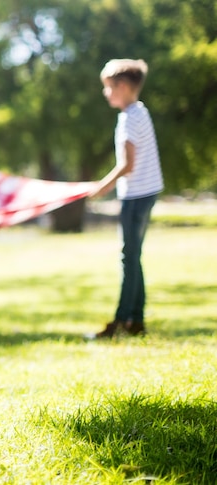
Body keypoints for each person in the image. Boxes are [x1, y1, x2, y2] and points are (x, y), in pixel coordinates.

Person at [87, 58, 163, 339]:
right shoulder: (140, 112)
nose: (106, 93)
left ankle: (121, 321)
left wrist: (102, 186)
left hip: (136, 196)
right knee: (134, 257)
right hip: (147, 192)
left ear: (122, 86)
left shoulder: (130, 118)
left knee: (128, 258)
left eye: (108, 88)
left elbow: (127, 164)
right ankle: (136, 321)